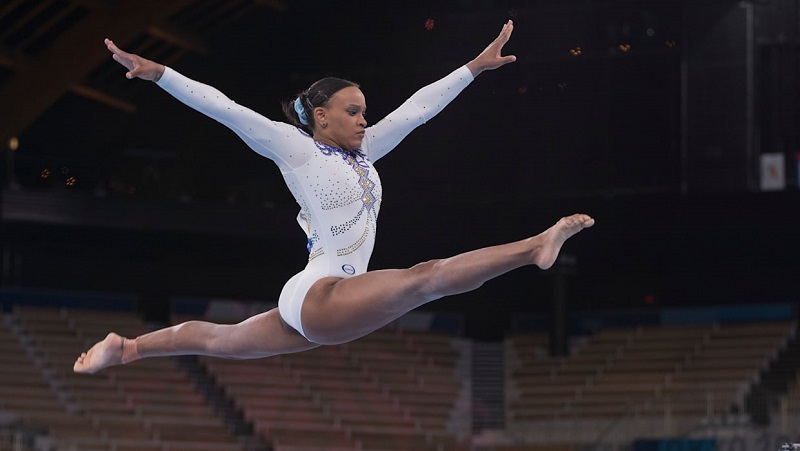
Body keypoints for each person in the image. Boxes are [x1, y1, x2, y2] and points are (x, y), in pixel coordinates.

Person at [74, 20, 594, 374]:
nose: (364, 119)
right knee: (425, 280)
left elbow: (417, 110)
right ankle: (536, 245)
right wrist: (161, 73)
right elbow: (226, 109)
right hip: (321, 295)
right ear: (321, 116)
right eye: (353, 111)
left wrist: (473, 69)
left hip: (322, 299)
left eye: (365, 110)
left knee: (221, 341)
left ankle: (128, 348)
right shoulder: (297, 150)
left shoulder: (364, 153)